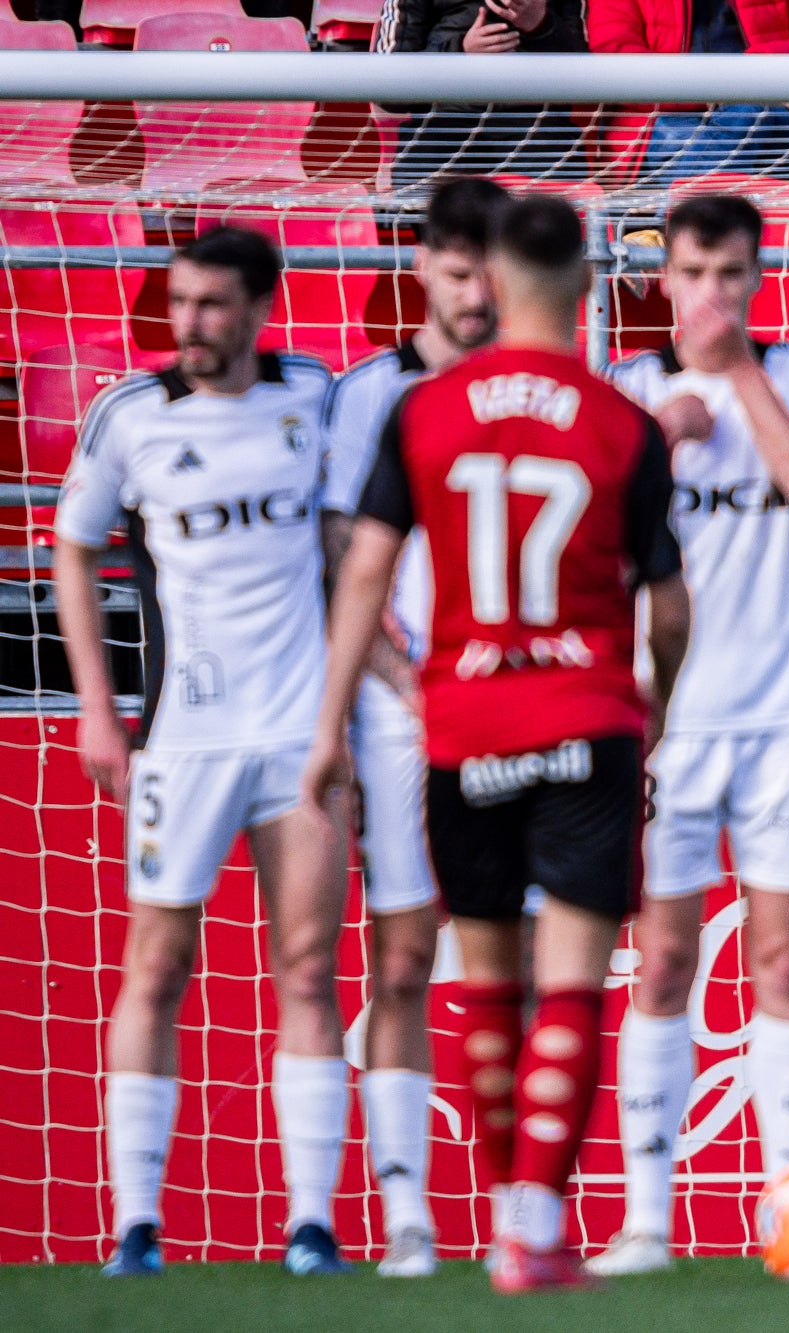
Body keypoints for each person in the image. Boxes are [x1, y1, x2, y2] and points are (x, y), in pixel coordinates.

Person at [301, 196, 693, 1293]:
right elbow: (668, 604)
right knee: (571, 979)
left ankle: (496, 1219)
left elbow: (365, 573)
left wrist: (329, 724)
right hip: (584, 713)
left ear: (495, 281)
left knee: (485, 985)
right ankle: (534, 1228)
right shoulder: (619, 420)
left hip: (459, 721)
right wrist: (659, 699)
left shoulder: (422, 411)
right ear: (578, 286)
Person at [54, 227, 353, 1278]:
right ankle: (137, 1223)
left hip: (301, 736)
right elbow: (73, 546)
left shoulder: (314, 396)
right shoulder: (130, 417)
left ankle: (310, 1226)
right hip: (182, 737)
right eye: (179, 302)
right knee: (156, 963)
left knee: (310, 969)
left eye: (213, 304)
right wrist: (97, 707)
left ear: (261, 306)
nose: (190, 323)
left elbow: (347, 547)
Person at [588, 193, 789, 1277]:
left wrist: (736, 378)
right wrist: (656, 441)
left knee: (783, 964)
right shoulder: (624, 393)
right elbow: (585, 530)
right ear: (661, 278)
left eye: (732, 273)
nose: (711, 293)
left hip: (785, 711)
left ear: (754, 275)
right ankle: (645, 1221)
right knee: (660, 965)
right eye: (695, 273)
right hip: (665, 723)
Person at [319, 175, 513, 1280]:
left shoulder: (539, 385)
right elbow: (347, 553)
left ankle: (517, 1210)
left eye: (490, 273)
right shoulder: (368, 395)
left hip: (522, 706)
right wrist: (398, 681)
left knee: (516, 964)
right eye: (454, 272)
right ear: (422, 272)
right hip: (405, 712)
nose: (474, 294)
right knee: (399, 959)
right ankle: (405, 1218)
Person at [586, 0, 789, 184]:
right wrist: (719, 88)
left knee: (750, 112)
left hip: (770, 116)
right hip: (663, 122)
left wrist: (752, 71)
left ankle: (684, 231)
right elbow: (616, 57)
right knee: (728, 123)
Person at [375, 0, 589, 186]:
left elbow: (584, 82)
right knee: (421, 171)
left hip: (537, 123)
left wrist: (541, 26)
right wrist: (460, 54)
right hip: (441, 121)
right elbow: (387, 89)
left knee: (558, 171)